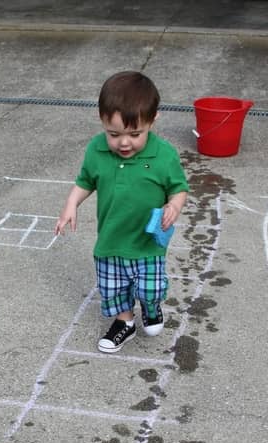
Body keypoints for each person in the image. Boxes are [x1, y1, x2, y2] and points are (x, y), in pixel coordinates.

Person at [55, 71, 189, 353]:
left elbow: (179, 188)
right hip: (111, 241)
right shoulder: (97, 149)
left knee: (149, 289)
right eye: (113, 134)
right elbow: (85, 182)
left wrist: (174, 205)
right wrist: (70, 204)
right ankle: (124, 322)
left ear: (153, 120)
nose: (123, 143)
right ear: (102, 120)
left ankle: (151, 308)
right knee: (113, 289)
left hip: (147, 243)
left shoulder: (164, 155)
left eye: (134, 134)